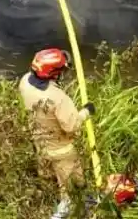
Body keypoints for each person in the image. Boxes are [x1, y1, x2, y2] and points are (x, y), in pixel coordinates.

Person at [18, 48, 95, 219]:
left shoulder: (24, 82)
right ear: (53, 74)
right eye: (60, 70)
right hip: (62, 150)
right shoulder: (57, 97)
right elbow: (72, 126)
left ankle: (46, 194)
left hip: (40, 143)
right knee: (73, 187)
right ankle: (65, 212)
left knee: (47, 175)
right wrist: (86, 112)